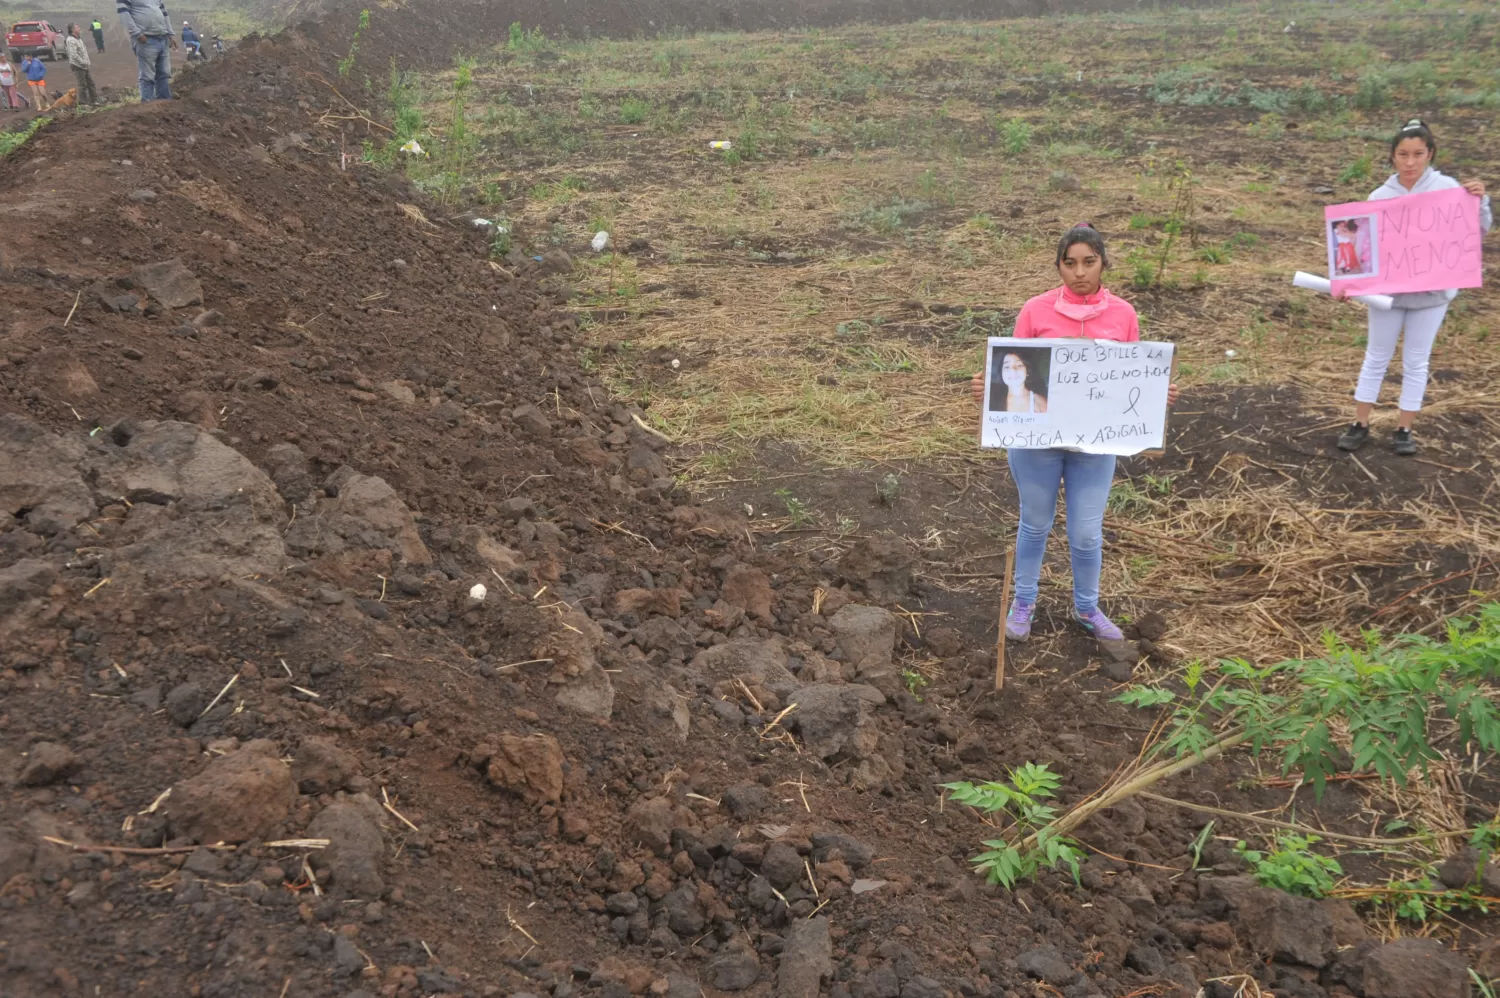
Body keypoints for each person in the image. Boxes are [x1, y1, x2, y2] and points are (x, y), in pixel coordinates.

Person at [970, 223, 1179, 645]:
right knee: (1035, 523)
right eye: (1070, 264)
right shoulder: (1036, 310)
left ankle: (1086, 607)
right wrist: (986, 388)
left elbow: (1131, 379)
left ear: (1103, 264)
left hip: (1095, 445)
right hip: (1038, 444)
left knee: (1086, 531)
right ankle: (1023, 602)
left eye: (1089, 262)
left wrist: (1158, 393)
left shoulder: (1123, 314)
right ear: (1059, 267)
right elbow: (1012, 367)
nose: (1079, 272)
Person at [1335, 119, 1491, 456]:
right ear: (1392, 156)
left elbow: (1475, 233)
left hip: (1432, 294)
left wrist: (1481, 203)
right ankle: (1361, 422)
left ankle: (1404, 428)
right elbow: (1362, 249)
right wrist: (1349, 283)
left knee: (1416, 361)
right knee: (1376, 357)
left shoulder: (1449, 189)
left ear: (1430, 154)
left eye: (1418, 154)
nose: (1410, 162)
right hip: (1388, 296)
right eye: (1403, 154)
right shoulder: (1379, 196)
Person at [117, 0, 177, 101]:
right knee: (147, 76)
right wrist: (137, 34)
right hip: (146, 39)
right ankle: (148, 106)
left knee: (164, 73)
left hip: (163, 37)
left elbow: (164, 13)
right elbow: (124, 14)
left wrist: (170, 34)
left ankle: (164, 103)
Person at [65, 25, 99, 106]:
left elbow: (83, 52)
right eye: (77, 27)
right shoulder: (71, 40)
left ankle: (94, 100)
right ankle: (83, 103)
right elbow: (73, 55)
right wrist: (83, 62)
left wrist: (86, 62)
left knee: (91, 83)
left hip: (84, 65)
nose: (79, 28)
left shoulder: (78, 38)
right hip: (77, 65)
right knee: (82, 84)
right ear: (73, 30)